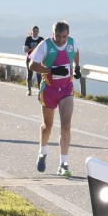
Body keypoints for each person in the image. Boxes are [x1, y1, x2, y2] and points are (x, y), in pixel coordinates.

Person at [28, 20, 81, 176]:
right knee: (47, 125)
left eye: (64, 37)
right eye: (58, 36)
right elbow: (32, 65)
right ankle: (42, 152)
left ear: (68, 35)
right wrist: (49, 70)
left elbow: (76, 52)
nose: (61, 40)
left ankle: (63, 164)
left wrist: (77, 67)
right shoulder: (45, 45)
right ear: (53, 33)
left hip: (66, 89)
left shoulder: (72, 43)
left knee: (66, 124)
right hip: (49, 90)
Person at [23, 25, 44, 96]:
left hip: (38, 59)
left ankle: (40, 90)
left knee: (39, 75)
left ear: (38, 32)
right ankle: (29, 90)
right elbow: (25, 49)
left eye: (36, 31)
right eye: (34, 31)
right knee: (30, 74)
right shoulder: (29, 39)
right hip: (29, 59)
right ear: (31, 32)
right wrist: (34, 48)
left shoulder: (41, 39)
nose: (35, 33)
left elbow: (44, 49)